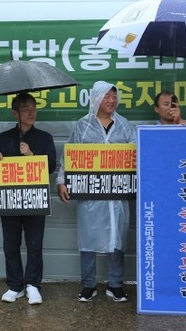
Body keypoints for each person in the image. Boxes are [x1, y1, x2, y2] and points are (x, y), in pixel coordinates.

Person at [56, 81, 136, 302]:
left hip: (117, 194)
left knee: (117, 237)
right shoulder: (83, 126)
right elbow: (68, 156)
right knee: (88, 237)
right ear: (96, 98)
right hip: (90, 193)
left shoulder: (124, 125)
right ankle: (88, 284)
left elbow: (137, 153)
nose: (111, 100)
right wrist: (61, 181)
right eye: (106, 96)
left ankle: (115, 284)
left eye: (114, 96)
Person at [0, 92, 57, 305]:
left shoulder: (44, 138)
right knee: (10, 244)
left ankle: (33, 285)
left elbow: (51, 167)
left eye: (33, 108)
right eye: (25, 109)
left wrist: (31, 155)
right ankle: (14, 285)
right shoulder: (4, 137)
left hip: (35, 197)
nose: (31, 113)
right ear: (15, 113)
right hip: (9, 198)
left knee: (34, 243)